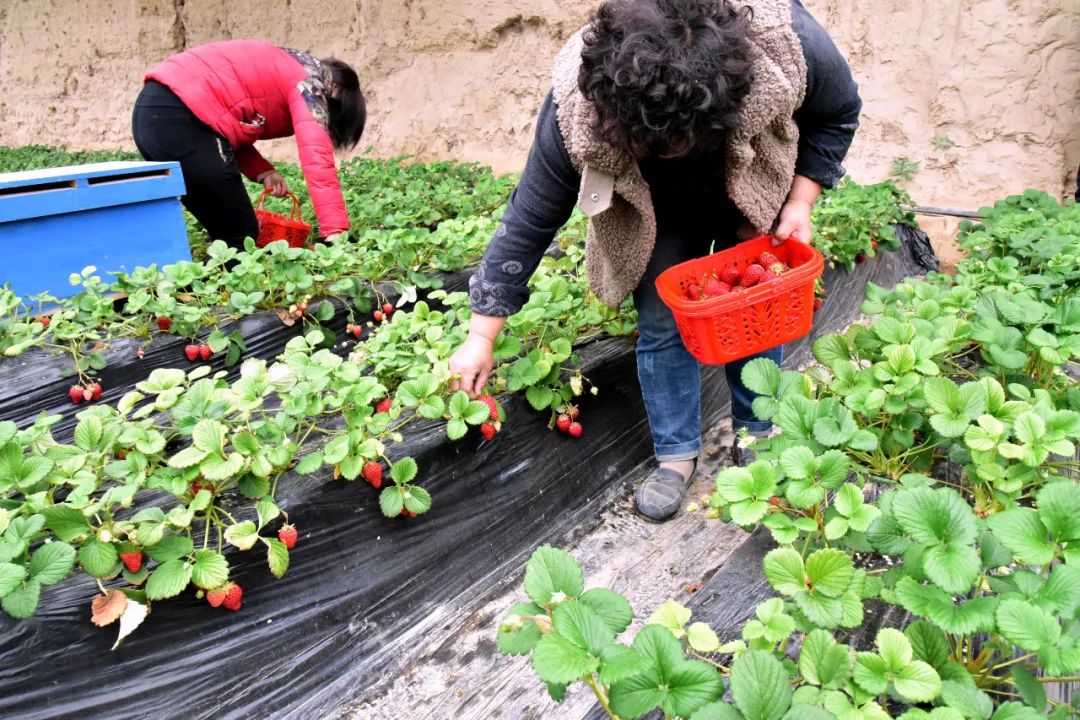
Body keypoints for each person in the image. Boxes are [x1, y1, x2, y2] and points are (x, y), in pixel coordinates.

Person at [449, 0, 862, 521]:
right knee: (661, 318)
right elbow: (533, 213)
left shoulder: (784, 42)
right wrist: (481, 334)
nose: (670, 150)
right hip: (655, 209)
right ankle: (676, 457)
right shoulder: (577, 105)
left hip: (748, 180)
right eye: (656, 141)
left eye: (680, 140)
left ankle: (759, 434)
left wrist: (800, 202)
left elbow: (837, 114)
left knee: (753, 316)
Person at [132, 40, 366, 249]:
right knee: (241, 235)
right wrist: (336, 232)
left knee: (227, 233)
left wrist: (263, 171)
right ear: (337, 92)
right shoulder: (311, 85)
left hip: (152, 116)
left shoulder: (288, 64)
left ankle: (220, 285)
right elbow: (317, 160)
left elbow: (225, 122)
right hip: (180, 118)